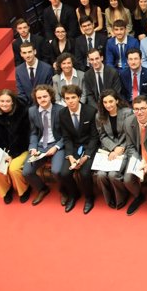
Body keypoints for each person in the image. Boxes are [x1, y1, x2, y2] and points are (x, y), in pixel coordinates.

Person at [23, 85, 67, 207]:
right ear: (36, 99)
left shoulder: (61, 110)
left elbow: (66, 134)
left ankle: (64, 191)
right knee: (26, 172)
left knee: (57, 171)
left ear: (50, 96)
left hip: (57, 145)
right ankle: (43, 189)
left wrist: (56, 147)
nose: (42, 99)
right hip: (40, 146)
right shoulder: (32, 111)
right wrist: (33, 148)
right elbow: (33, 132)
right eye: (39, 97)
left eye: (45, 96)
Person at [59, 84, 99, 214]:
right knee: (64, 173)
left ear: (79, 97)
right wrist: (70, 156)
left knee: (85, 173)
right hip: (74, 147)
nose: (70, 101)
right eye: (67, 98)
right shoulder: (62, 113)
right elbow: (66, 137)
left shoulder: (90, 111)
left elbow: (94, 137)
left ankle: (89, 197)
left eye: (73, 97)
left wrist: (86, 156)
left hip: (89, 147)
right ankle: (73, 195)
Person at [0, 89, 30, 204]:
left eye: (7, 101)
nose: (4, 104)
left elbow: (25, 138)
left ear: (13, 102)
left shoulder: (23, 113)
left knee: (14, 168)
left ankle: (24, 190)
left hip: (21, 149)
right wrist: (0, 154)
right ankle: (6, 190)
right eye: (2, 101)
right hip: (4, 151)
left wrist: (13, 155)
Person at [94, 89, 133, 210]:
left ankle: (122, 195)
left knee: (112, 174)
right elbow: (102, 136)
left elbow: (131, 134)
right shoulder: (99, 115)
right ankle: (109, 197)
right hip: (108, 149)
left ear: (117, 100)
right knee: (100, 175)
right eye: (105, 102)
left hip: (125, 148)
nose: (108, 105)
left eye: (111, 101)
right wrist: (114, 148)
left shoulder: (128, 113)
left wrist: (120, 148)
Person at [15, 41, 54, 106]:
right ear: (21, 54)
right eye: (24, 53)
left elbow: (49, 90)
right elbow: (20, 93)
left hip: (45, 104)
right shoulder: (18, 70)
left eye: (29, 52)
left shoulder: (47, 68)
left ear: (35, 52)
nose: (27, 55)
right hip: (27, 107)